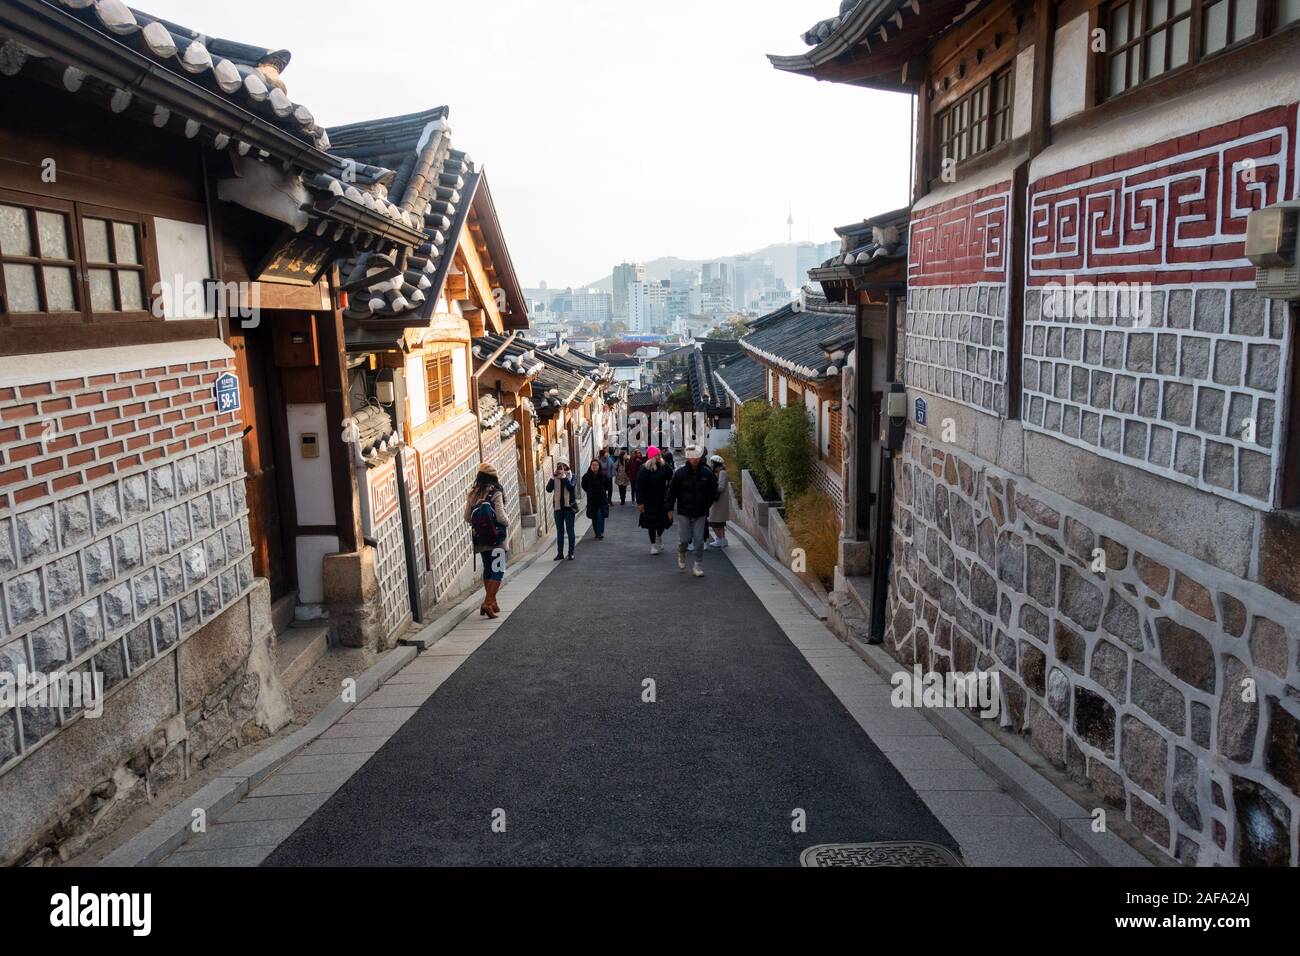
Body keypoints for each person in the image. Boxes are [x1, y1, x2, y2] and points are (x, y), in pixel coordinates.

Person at [665, 445, 718, 578]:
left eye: (696, 456)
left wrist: (707, 505)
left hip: (700, 511)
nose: (694, 459)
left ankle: (697, 564)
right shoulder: (680, 473)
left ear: (700, 457)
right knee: (684, 539)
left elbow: (713, 490)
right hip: (684, 511)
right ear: (688, 457)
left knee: (699, 540)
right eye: (691, 456)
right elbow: (671, 492)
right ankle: (682, 553)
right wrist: (669, 508)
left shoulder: (707, 473)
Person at [464, 463, 509, 618]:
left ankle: (493, 602)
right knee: (499, 570)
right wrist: (507, 522)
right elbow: (501, 517)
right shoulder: (495, 492)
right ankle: (488, 603)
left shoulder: (472, 493)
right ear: (493, 477)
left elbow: (467, 517)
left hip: (481, 539)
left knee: (489, 569)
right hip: (497, 539)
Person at [635, 445, 672, 555]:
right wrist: (640, 502)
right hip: (649, 500)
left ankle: (659, 536)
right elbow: (639, 486)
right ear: (651, 456)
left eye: (659, 455)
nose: (659, 456)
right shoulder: (644, 469)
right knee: (651, 524)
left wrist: (669, 489)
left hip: (662, 499)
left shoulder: (664, 465)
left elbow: (672, 476)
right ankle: (653, 545)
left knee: (662, 522)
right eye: (657, 455)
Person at [546, 460, 578, 560]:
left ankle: (571, 553)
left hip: (569, 508)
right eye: (559, 466)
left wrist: (564, 477)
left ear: (567, 466)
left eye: (563, 466)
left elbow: (571, 487)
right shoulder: (555, 477)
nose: (561, 469)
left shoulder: (572, 475)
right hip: (558, 508)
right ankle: (560, 553)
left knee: (570, 530)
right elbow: (548, 489)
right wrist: (552, 477)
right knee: (560, 531)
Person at [581, 458, 611, 538]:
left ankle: (600, 532)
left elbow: (608, 485)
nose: (594, 466)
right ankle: (596, 532)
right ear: (590, 466)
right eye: (593, 465)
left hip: (601, 499)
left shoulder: (603, 475)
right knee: (594, 517)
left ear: (599, 466)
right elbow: (584, 486)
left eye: (596, 465)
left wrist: (602, 491)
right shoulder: (586, 476)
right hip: (592, 500)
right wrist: (590, 491)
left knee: (601, 515)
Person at [706, 454, 729, 549]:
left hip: (719, 501)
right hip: (718, 500)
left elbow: (721, 487)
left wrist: (710, 487)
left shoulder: (722, 472)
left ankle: (720, 539)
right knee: (719, 522)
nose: (710, 464)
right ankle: (722, 540)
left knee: (713, 521)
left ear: (716, 463)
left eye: (712, 462)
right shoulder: (717, 472)